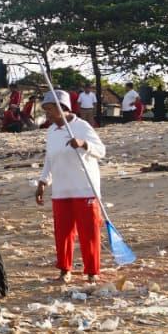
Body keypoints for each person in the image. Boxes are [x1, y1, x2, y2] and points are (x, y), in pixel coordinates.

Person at [35, 90, 106, 283]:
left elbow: (101, 151)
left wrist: (84, 144)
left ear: (63, 108)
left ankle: (92, 272)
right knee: (63, 233)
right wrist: (43, 181)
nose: (47, 114)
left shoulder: (81, 127)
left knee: (88, 233)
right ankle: (64, 271)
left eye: (50, 109)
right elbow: (50, 159)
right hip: (61, 191)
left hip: (85, 189)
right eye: (46, 110)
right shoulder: (51, 131)